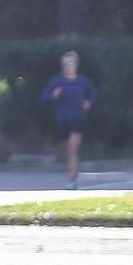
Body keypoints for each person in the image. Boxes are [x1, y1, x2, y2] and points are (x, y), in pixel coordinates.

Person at [41, 50, 98, 189]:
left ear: (76, 65)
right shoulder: (57, 81)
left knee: (73, 149)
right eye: (66, 64)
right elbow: (44, 98)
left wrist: (88, 103)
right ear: (62, 66)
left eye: (71, 63)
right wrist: (54, 95)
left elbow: (93, 94)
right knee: (67, 151)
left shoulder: (83, 81)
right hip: (62, 120)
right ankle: (74, 174)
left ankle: (71, 181)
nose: (68, 66)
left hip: (78, 119)